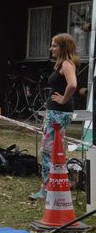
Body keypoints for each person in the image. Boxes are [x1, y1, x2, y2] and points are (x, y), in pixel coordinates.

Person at [30, 33, 79, 201]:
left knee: (47, 150)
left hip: (59, 113)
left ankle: (47, 188)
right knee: (53, 150)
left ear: (63, 47)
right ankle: (55, 184)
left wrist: (63, 99)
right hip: (54, 113)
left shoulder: (67, 64)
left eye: (55, 46)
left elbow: (73, 84)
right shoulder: (61, 65)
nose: (51, 48)